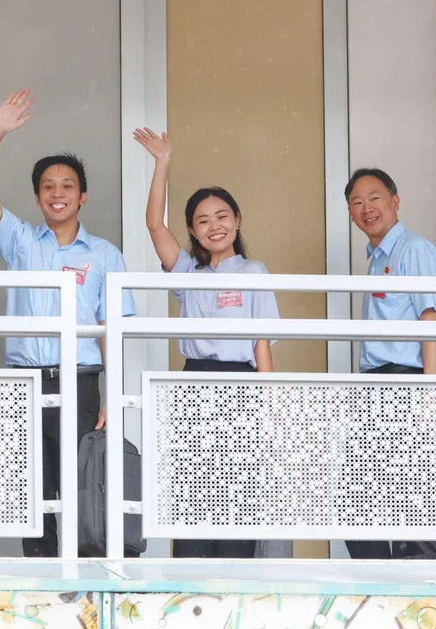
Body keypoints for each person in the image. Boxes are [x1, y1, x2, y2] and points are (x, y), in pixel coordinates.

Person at [0, 89, 136, 557]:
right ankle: (42, 580)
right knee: (34, 490)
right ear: (38, 197)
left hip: (80, 381)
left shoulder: (104, 255)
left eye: (67, 186)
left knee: (81, 486)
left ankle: (83, 583)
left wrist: (112, 395)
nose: (57, 193)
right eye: (47, 187)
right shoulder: (21, 241)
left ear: (83, 196)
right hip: (25, 382)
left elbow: (112, 331)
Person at [134, 127, 279, 559]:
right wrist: (162, 164)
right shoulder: (187, 274)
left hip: (242, 385)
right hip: (194, 382)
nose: (214, 225)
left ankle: (232, 576)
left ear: (236, 221)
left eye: (221, 216)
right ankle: (191, 578)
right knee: (194, 483)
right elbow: (153, 226)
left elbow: (261, 344)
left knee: (237, 484)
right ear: (193, 233)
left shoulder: (254, 272)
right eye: (203, 220)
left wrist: (269, 406)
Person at [343, 168, 436, 559]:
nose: (367, 208)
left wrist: (429, 395)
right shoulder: (377, 257)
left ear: (395, 201)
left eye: (375, 197)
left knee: (408, 492)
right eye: (356, 202)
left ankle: (409, 588)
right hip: (377, 385)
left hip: (406, 385)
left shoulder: (413, 249)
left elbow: (431, 319)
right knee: (362, 496)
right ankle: (379, 582)